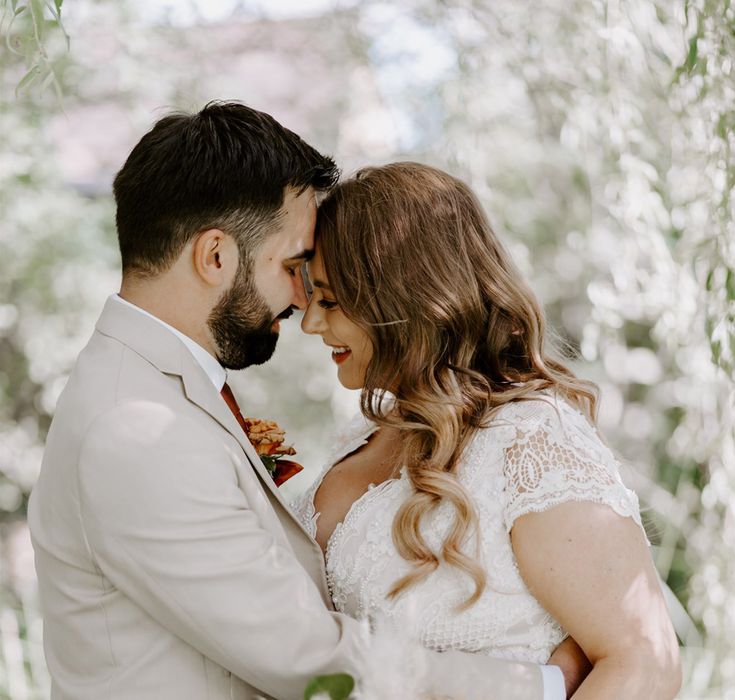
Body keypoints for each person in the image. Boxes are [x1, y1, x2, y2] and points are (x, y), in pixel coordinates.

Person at [28, 103, 582, 700]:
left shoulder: (147, 390)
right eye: (293, 265)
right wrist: (541, 685)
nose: (303, 298)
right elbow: (302, 654)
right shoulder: (135, 428)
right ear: (215, 256)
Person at [296, 162, 683, 699]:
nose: (311, 323)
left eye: (331, 301)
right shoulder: (363, 435)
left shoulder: (531, 441)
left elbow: (643, 662)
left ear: (404, 302)